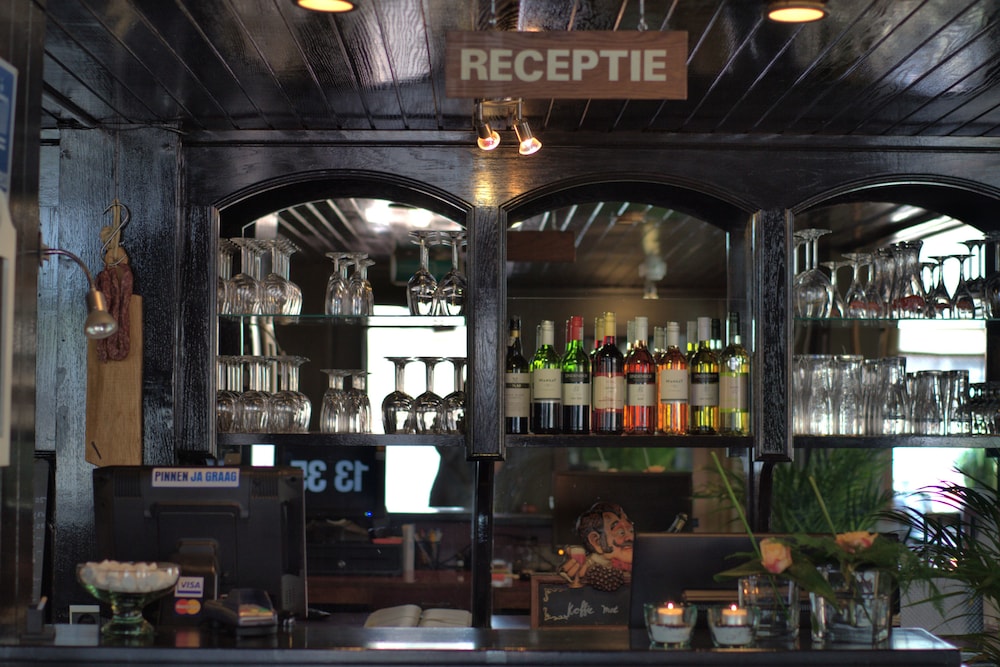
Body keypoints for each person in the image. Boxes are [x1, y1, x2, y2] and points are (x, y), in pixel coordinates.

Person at [560, 501, 635, 586]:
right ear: (596, 541)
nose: (631, 537)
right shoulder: (588, 567)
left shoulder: (640, 564)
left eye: (631, 531)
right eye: (621, 532)